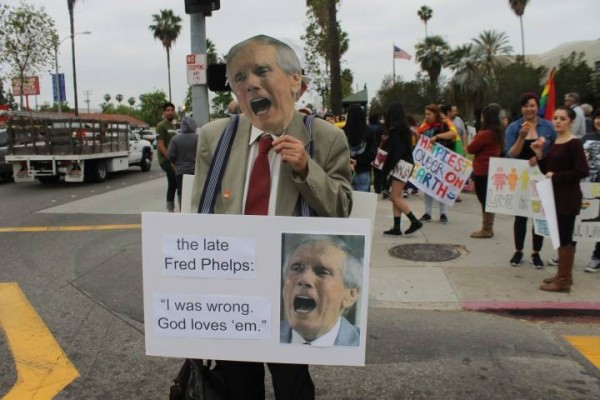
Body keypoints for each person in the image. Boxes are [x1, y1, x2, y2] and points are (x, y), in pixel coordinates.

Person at [190, 34, 352, 400]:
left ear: (295, 80)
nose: (250, 84)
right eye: (239, 78)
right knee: (238, 386)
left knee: (292, 386)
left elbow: (342, 208)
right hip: (234, 293)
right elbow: (198, 218)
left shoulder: (325, 139)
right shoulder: (214, 138)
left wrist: (307, 169)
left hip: (290, 294)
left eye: (262, 71)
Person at [530, 106, 589, 292]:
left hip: (568, 197)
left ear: (570, 121)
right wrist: (539, 153)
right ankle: (563, 275)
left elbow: (582, 171)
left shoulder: (574, 143)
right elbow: (547, 168)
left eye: (562, 118)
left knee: (565, 237)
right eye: (555, 118)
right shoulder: (556, 141)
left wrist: (556, 177)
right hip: (555, 196)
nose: (557, 121)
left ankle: (563, 280)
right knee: (560, 236)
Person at [505, 92, 557, 268]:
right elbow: (511, 153)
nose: (529, 109)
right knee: (520, 215)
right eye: (526, 106)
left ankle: (536, 253)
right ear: (521, 109)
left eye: (532, 105)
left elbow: (555, 151)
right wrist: (521, 136)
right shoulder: (514, 127)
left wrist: (540, 157)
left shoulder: (548, 127)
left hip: (541, 177)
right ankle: (518, 251)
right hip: (521, 177)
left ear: (537, 107)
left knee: (538, 216)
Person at [280, 235, 361, 346]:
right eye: (297, 268)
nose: (304, 279)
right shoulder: (265, 334)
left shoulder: (361, 346)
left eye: (322, 272)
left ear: (351, 295)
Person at [380, 102, 423, 236]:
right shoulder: (404, 130)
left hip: (401, 165)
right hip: (406, 164)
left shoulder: (396, 131)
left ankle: (414, 221)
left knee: (394, 197)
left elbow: (395, 152)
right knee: (396, 196)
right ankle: (396, 227)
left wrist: (386, 169)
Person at [466, 103, 504, 238]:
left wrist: (473, 138)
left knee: (484, 200)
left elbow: (470, 149)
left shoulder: (485, 133)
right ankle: (488, 227)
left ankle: (486, 229)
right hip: (491, 169)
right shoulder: (497, 132)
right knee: (488, 200)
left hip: (482, 170)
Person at [417, 104, 457, 224]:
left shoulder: (445, 124)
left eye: (429, 114)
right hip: (429, 162)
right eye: (426, 114)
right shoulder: (425, 126)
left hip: (442, 161)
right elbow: (418, 135)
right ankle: (427, 213)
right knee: (428, 187)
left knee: (442, 187)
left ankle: (443, 213)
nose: (427, 117)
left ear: (436, 114)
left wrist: (437, 136)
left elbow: (453, 134)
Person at [580, 109, 600, 272]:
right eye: (598, 118)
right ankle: (567, 253)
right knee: (578, 221)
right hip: (586, 186)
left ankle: (597, 256)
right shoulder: (587, 138)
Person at [167, 115, 198, 211]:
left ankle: (182, 210)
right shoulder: (198, 138)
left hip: (180, 170)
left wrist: (174, 163)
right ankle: (194, 209)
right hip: (195, 170)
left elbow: (171, 155)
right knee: (194, 191)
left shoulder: (175, 139)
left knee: (181, 192)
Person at [343, 104, 376, 192]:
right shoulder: (369, 132)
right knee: (363, 204)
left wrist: (349, 160)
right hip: (363, 170)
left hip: (345, 172)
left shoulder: (342, 132)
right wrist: (358, 161)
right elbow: (372, 153)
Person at [156, 102, 178, 212]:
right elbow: (160, 145)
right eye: (167, 110)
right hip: (166, 160)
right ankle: (170, 208)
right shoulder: (161, 126)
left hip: (174, 159)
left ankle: (172, 207)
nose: (170, 112)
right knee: (174, 181)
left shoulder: (173, 126)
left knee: (174, 183)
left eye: (171, 110)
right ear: (164, 112)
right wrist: (171, 160)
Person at [368, 113, 386, 194]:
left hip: (370, 151)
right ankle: (379, 188)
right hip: (380, 151)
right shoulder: (380, 127)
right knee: (379, 171)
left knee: (370, 171)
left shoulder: (368, 128)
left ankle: (372, 187)